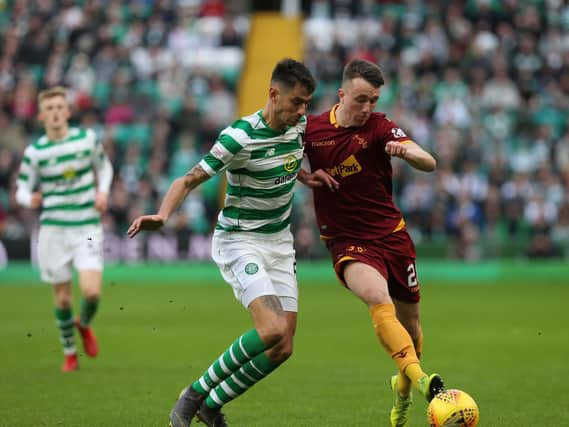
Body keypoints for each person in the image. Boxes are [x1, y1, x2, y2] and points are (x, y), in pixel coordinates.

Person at [128, 59, 332, 427]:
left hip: (279, 243)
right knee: (271, 330)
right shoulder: (238, 136)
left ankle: (213, 403)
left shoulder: (297, 126)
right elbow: (188, 179)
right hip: (240, 240)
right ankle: (194, 394)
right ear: (273, 94)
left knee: (283, 347)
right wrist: (162, 215)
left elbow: (281, 161)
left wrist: (304, 175)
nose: (303, 111)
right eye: (297, 102)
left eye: (307, 104)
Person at [300, 59, 444, 427]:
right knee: (378, 300)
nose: (367, 108)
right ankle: (424, 380)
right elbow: (277, 161)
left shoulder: (381, 127)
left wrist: (410, 154)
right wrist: (304, 176)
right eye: (361, 99)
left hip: (392, 237)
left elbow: (429, 161)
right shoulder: (311, 130)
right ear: (342, 94)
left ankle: (403, 388)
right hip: (346, 241)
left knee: (411, 328)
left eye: (374, 100)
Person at [15, 86, 113, 372]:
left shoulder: (87, 140)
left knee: (92, 292)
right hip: (54, 230)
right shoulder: (35, 152)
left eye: (60, 107)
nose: (56, 113)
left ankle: (83, 324)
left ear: (68, 112)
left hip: (87, 225)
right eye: (50, 109)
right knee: (62, 296)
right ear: (41, 116)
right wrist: (27, 198)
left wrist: (103, 192)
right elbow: (21, 187)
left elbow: (104, 168)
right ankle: (70, 353)